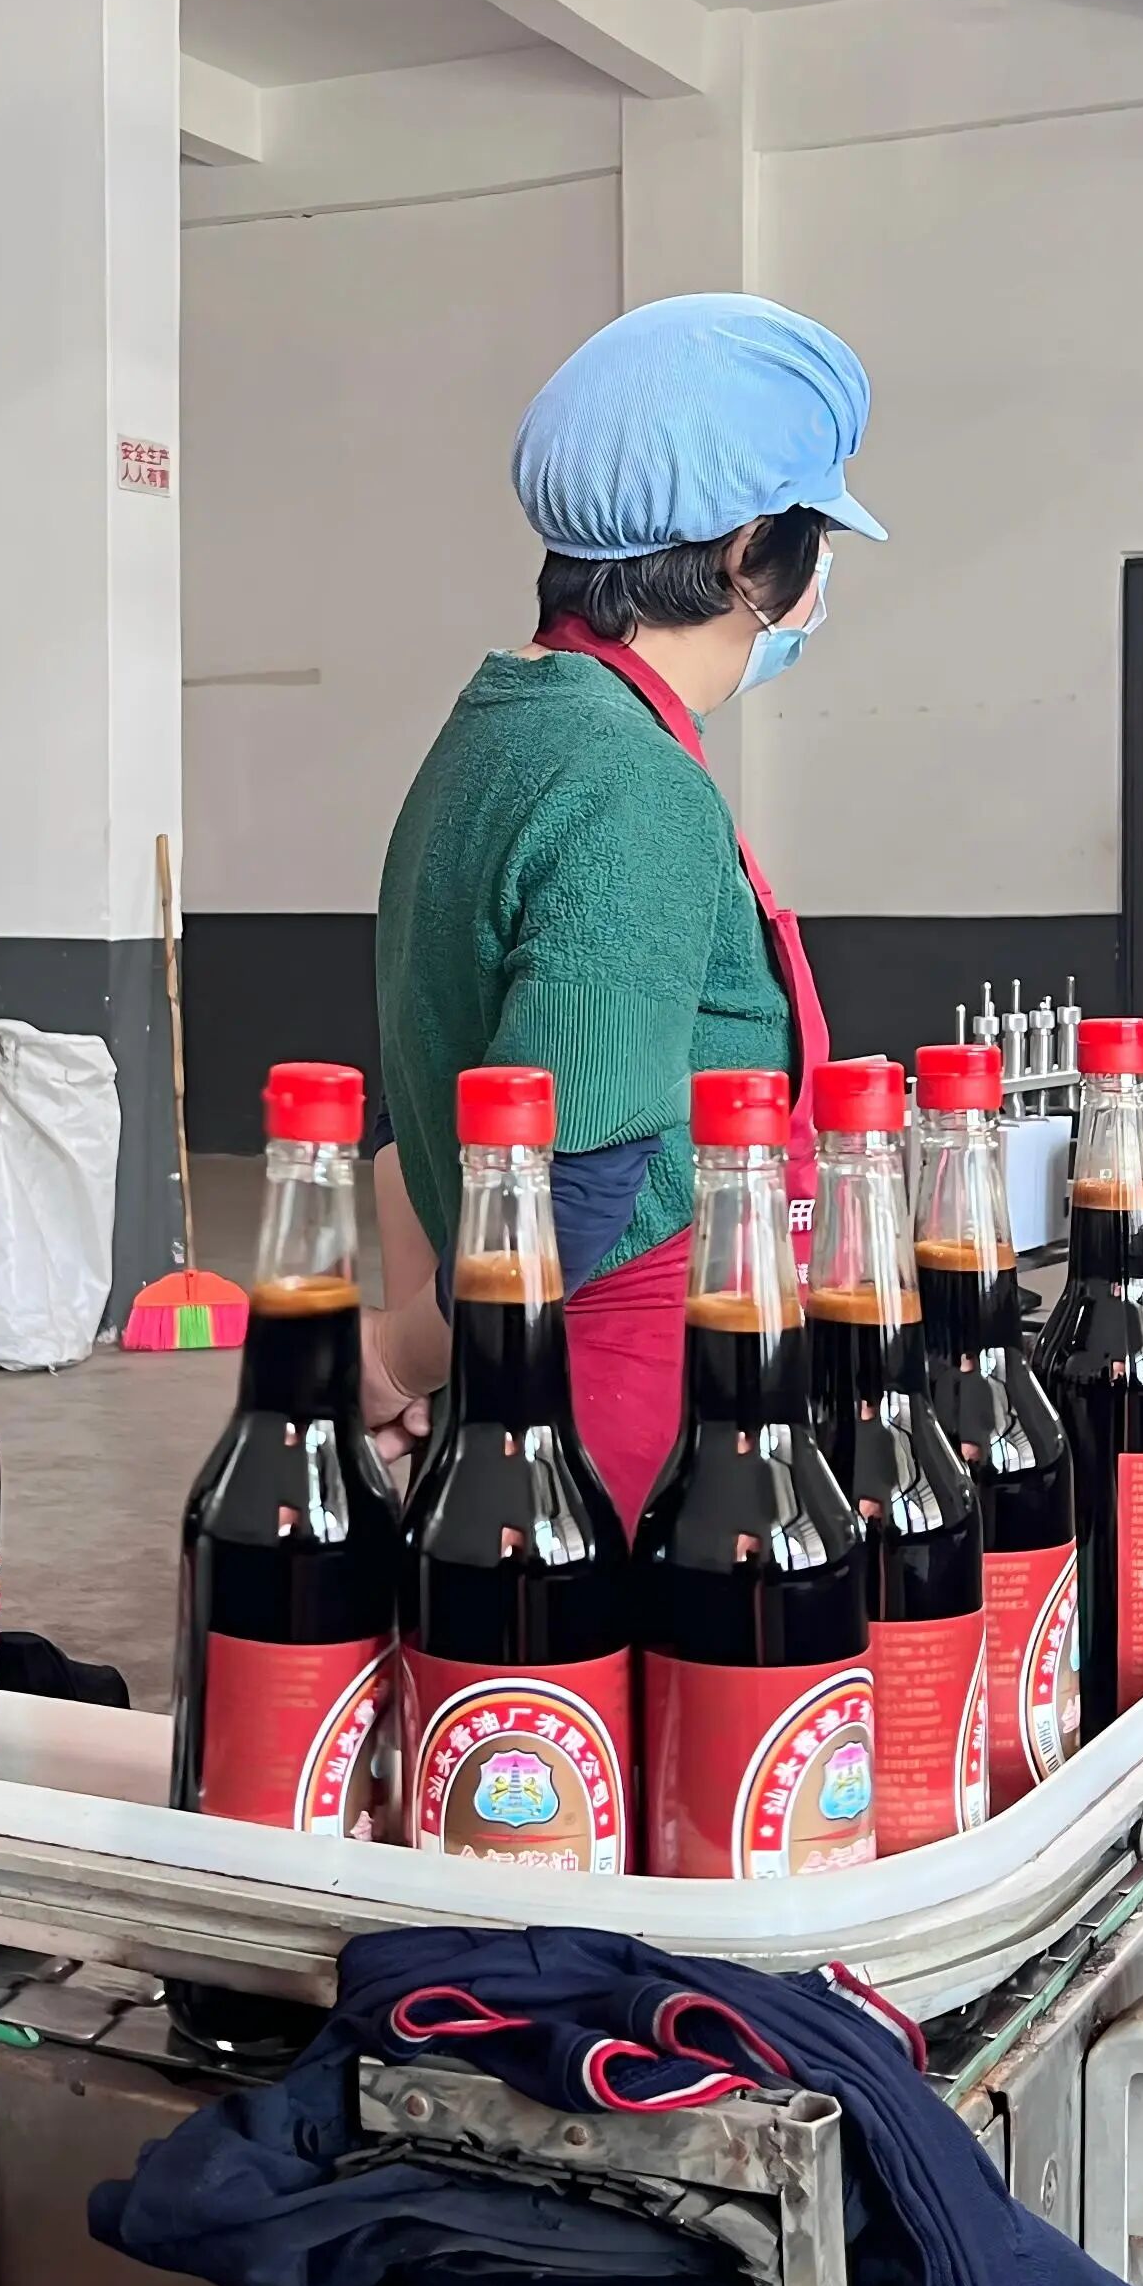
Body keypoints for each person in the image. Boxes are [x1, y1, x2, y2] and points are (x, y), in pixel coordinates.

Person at [360, 293, 880, 1515]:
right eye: (815, 538)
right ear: (749, 554)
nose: (820, 581)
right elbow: (572, 1176)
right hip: (622, 1392)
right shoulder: (630, 779)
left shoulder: (499, 727)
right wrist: (402, 1353)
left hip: (518, 1355)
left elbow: (418, 1106)